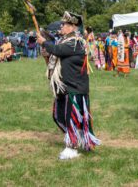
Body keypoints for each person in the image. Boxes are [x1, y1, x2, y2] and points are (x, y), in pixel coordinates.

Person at [37, 11, 100, 160]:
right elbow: (55, 54)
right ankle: (76, 138)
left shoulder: (76, 43)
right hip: (64, 87)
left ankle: (72, 147)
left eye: (64, 24)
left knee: (71, 119)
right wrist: (46, 50)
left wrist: (44, 42)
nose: (61, 26)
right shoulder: (64, 42)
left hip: (75, 88)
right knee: (58, 116)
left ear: (72, 27)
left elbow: (58, 50)